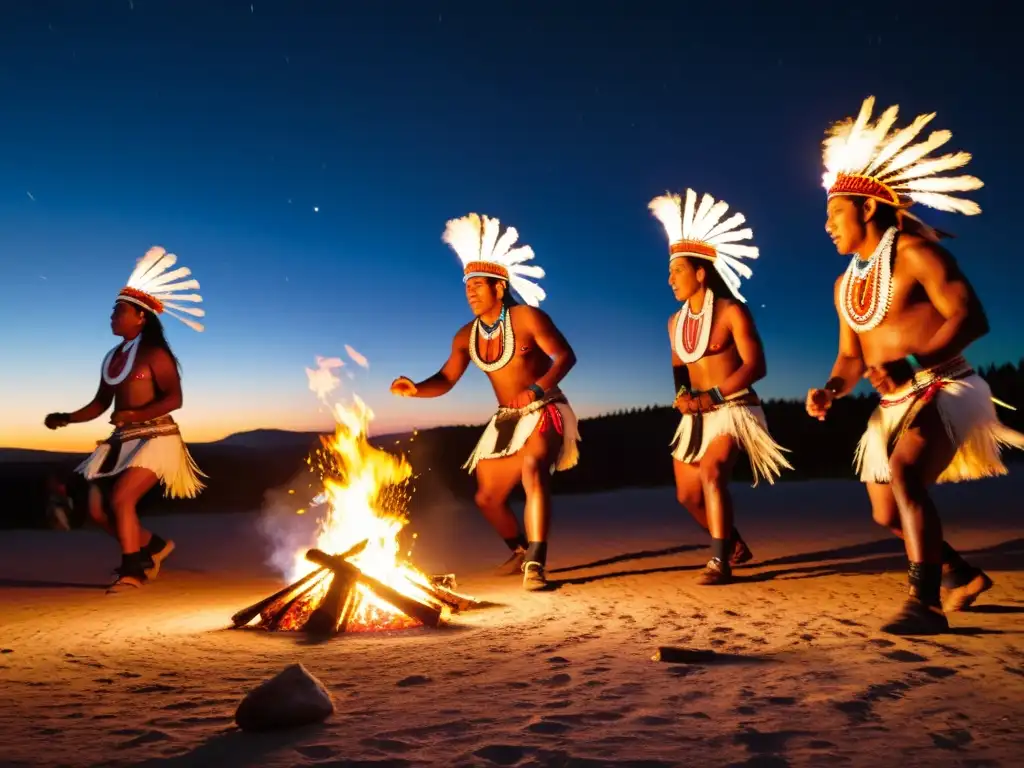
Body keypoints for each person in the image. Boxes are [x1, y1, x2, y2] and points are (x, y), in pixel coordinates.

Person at [805, 96, 1024, 634]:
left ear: (868, 208)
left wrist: (917, 362)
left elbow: (971, 319)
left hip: (947, 384)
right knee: (885, 512)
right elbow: (850, 357)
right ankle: (961, 575)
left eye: (835, 214)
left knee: (905, 474)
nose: (828, 226)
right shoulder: (844, 286)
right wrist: (832, 389)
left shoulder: (918, 255)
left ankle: (922, 604)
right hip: (894, 399)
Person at [390, 213, 579, 591]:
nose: (470, 292)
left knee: (534, 468)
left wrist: (538, 390)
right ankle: (521, 550)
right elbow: (445, 379)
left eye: (477, 285)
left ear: (499, 286)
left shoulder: (527, 317)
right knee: (487, 497)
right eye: (467, 287)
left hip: (546, 409)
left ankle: (536, 565)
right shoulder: (466, 335)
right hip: (507, 418)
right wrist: (416, 389)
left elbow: (565, 357)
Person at [649, 189, 791, 585]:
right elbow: (680, 367)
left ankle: (719, 563)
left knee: (712, 474)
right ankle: (734, 545)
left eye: (677, 270)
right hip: (696, 414)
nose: (670, 278)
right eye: (669, 271)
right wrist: (682, 397)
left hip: (735, 407)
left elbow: (756, 365)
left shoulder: (731, 311)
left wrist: (713, 395)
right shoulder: (674, 324)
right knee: (687, 496)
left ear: (700, 272)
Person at [44, 246, 207, 593]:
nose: (112, 316)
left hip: (157, 438)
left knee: (122, 500)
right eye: (114, 311)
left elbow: (174, 398)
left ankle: (132, 571)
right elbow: (101, 403)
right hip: (123, 440)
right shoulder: (112, 357)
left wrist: (136, 414)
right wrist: (66, 417)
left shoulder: (155, 353)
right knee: (101, 512)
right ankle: (155, 546)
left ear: (141, 317)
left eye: (120, 311)